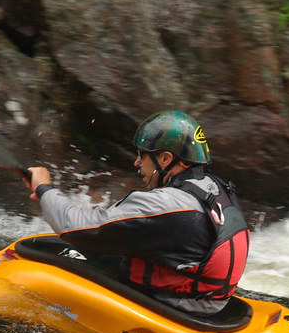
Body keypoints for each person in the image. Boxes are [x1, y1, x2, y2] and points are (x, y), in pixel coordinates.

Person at [25, 110, 249, 316]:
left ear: (165, 159)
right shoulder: (215, 187)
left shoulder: (165, 205)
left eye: (143, 155)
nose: (137, 163)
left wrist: (45, 189)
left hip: (183, 307)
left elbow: (76, 227)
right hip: (210, 303)